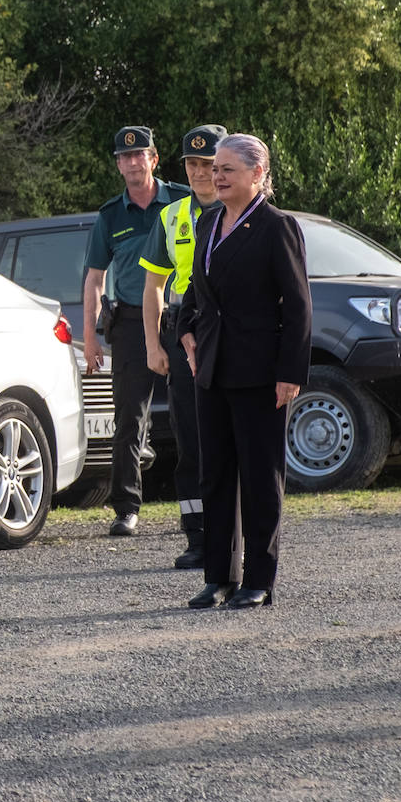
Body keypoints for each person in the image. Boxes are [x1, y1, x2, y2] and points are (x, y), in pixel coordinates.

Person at [177, 133, 311, 609]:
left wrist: (290, 372)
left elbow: (297, 306)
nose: (217, 177)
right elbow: (196, 289)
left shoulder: (277, 227)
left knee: (259, 478)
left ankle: (259, 579)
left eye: (227, 170)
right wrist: (186, 330)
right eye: (215, 169)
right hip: (211, 367)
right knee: (215, 475)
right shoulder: (211, 220)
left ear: (257, 174)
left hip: (260, 372)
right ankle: (218, 577)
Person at [82, 126, 189, 537]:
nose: (131, 162)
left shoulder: (181, 199)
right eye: (124, 157)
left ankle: (193, 507)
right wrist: (91, 336)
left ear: (154, 159)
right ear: (118, 164)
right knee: (129, 418)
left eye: (139, 155)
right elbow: (94, 278)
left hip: (181, 319)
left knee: (190, 416)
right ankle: (126, 508)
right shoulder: (111, 215)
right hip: (127, 322)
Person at [139, 124, 227, 569]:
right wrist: (154, 345)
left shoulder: (243, 213)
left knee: (227, 439)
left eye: (207, 164)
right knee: (190, 440)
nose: (199, 172)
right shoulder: (171, 216)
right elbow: (153, 286)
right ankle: (197, 538)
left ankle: (232, 535)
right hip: (182, 334)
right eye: (192, 164)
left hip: (227, 334)